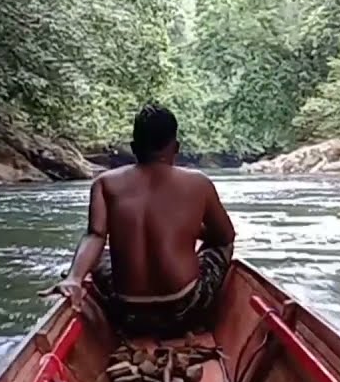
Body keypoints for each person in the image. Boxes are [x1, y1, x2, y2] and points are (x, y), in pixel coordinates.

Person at [44, 103, 236, 338]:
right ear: (176, 147)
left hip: (127, 311)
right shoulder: (199, 183)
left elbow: (95, 235)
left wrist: (75, 277)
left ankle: (75, 281)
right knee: (221, 247)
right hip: (184, 307)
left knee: (96, 254)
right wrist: (188, 229)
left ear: (134, 148)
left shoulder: (104, 183)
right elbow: (225, 236)